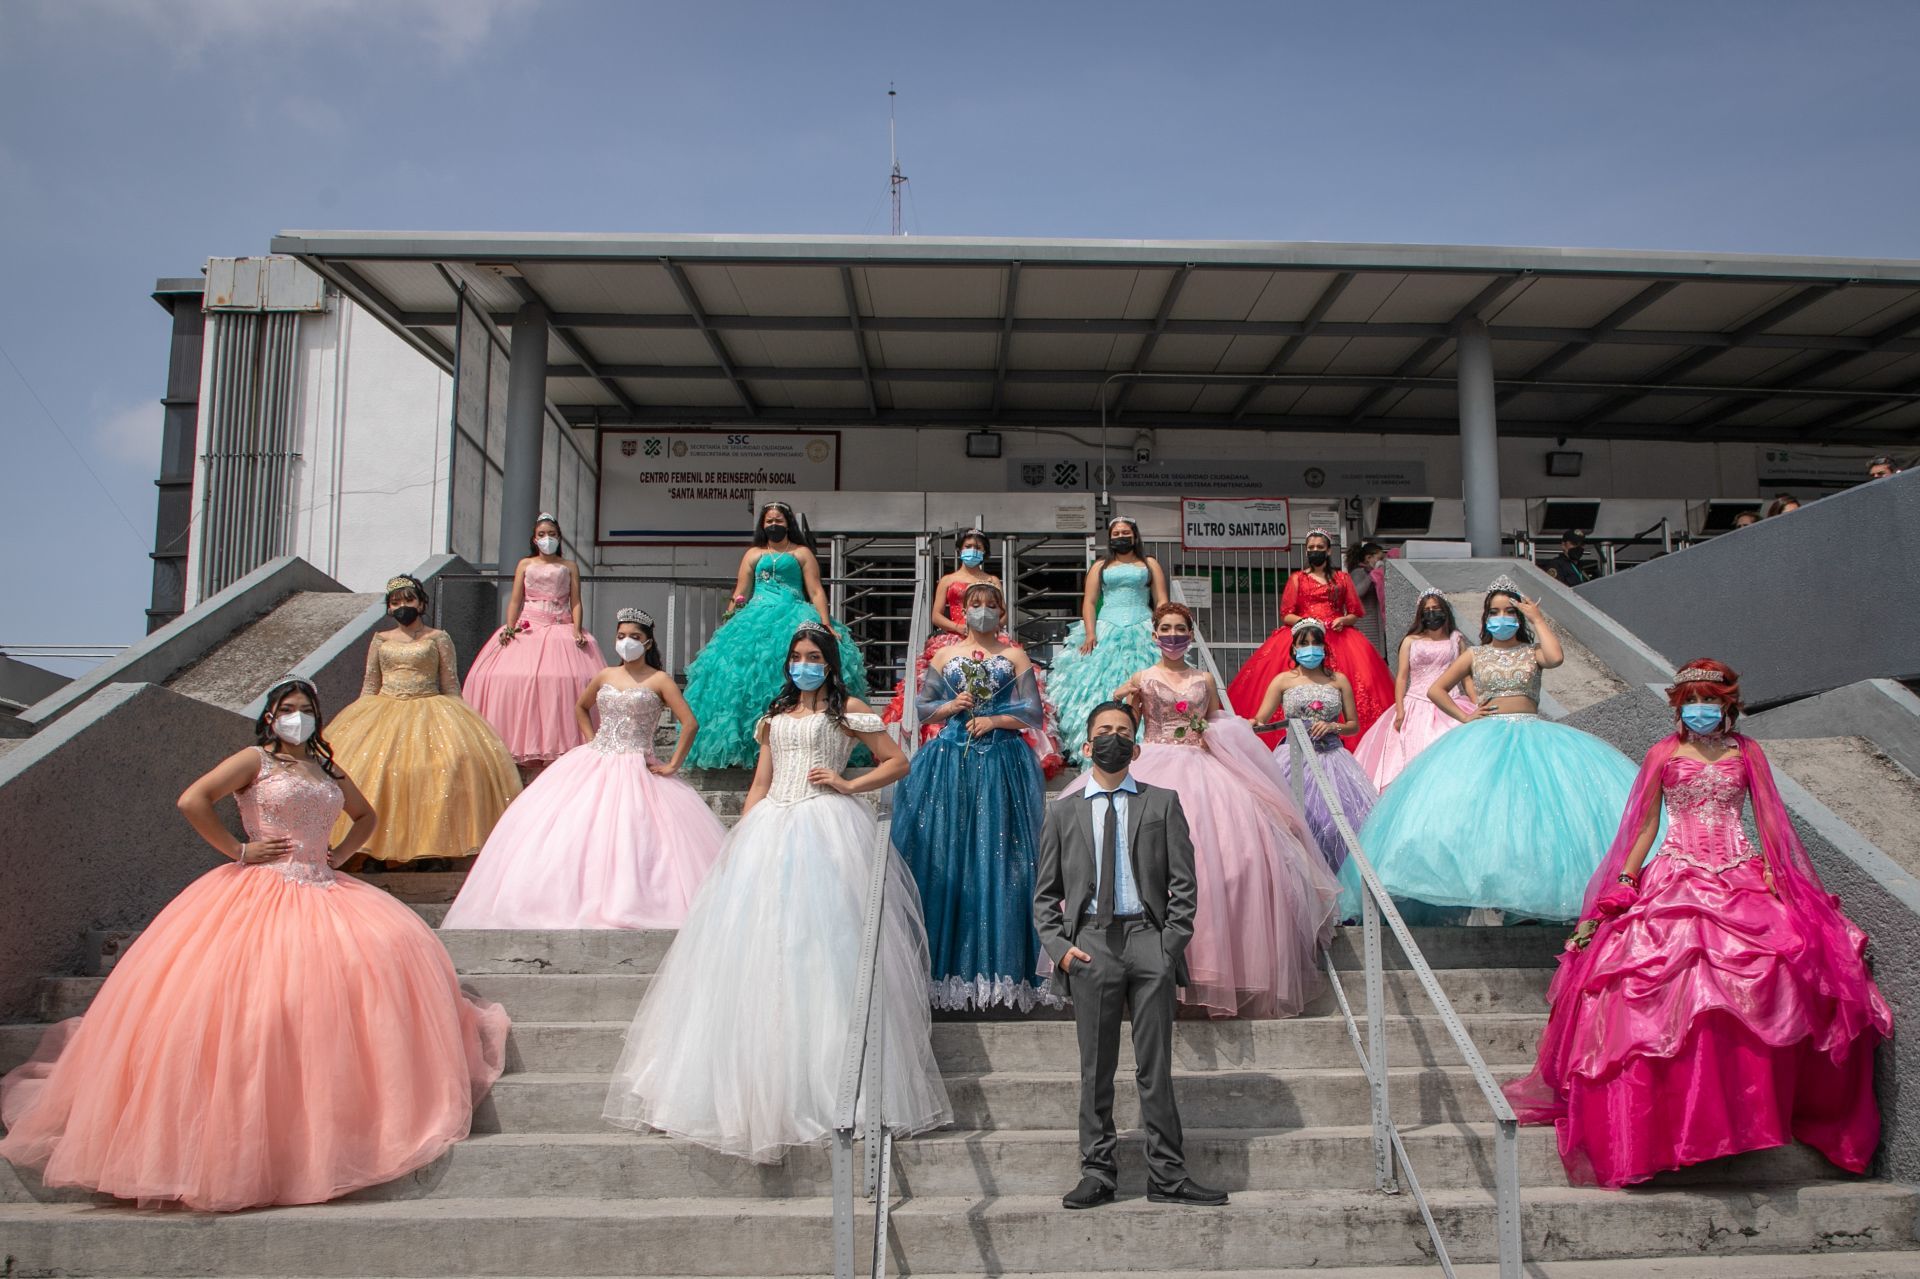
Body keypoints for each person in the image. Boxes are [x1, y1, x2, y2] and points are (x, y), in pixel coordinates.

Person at [0, 678, 507, 1211]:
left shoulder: (324, 766)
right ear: (269, 716)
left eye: (306, 709)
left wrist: (339, 853)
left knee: (384, 961)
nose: (297, 717)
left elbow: (366, 817)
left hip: (326, 885)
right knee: (255, 1005)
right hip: (260, 891)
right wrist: (239, 850)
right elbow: (193, 799)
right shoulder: (253, 761)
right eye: (287, 710)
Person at [1505, 660, 1891, 1187]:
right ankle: (1668, 1126)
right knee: (1654, 991)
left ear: (1728, 705)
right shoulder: (1662, 753)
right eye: (1691, 700)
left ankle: (1744, 1116)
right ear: (1678, 705)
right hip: (1676, 874)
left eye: (1710, 700)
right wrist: (1624, 881)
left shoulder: (1748, 753)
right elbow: (1642, 828)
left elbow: (1771, 822)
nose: (1700, 709)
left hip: (1739, 871)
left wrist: (1783, 878)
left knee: (1773, 976)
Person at [603, 623, 949, 1162]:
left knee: (823, 951)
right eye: (797, 656)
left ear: (829, 663)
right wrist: (738, 840)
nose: (803, 663)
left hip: (827, 828)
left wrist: (848, 784)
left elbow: (897, 761)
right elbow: (761, 783)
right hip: (769, 829)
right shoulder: (776, 715)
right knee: (758, 951)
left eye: (813, 656)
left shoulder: (848, 709)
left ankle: (838, 1086)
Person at [1341, 576, 1644, 922]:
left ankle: (1528, 902)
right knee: (1487, 818)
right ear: (1485, 619)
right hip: (1486, 739)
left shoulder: (1531, 652)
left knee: (1532, 818)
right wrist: (1465, 717)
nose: (1502, 618)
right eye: (1495, 612)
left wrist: (1537, 618)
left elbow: (1556, 656)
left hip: (1533, 736)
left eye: (1508, 612)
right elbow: (1437, 689)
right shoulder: (1475, 654)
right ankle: (1490, 895)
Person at [1093, 603, 1339, 1018]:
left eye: (1180, 630)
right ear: (1154, 635)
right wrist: (1123, 699)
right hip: (1153, 759)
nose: (1173, 636)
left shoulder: (1203, 677)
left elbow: (1213, 721)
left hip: (1201, 765)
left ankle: (1210, 966)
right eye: (1165, 629)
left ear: (1190, 635)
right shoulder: (1142, 677)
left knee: (1225, 859)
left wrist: (1213, 732)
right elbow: (1126, 721)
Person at [1034, 700, 1227, 1210]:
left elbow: (1184, 883)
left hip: (1149, 942)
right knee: (1095, 1067)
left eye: (1122, 731)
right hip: (1091, 947)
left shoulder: (1162, 802)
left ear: (1136, 746)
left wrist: (1169, 946)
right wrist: (1061, 949)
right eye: (1104, 730)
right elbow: (1044, 895)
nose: (1112, 738)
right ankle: (1098, 1172)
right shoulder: (1064, 810)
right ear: (1087, 742)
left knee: (1154, 1066)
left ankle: (1168, 1174)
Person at [443, 609, 727, 930]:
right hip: (595, 759)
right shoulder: (605, 674)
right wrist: (592, 739)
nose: (626, 642)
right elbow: (581, 706)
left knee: (634, 834)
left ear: (648, 641)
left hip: (637, 764)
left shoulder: (659, 680)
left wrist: (674, 763)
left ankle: (633, 899)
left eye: (633, 637)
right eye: (621, 636)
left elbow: (689, 723)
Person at [892, 582, 1054, 1011]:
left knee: (1001, 857)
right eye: (975, 604)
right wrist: (952, 706)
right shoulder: (943, 656)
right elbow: (925, 708)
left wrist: (997, 719)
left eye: (990, 605)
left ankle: (1005, 971)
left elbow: (1032, 712)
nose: (982, 611)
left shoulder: (1014, 655)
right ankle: (939, 971)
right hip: (949, 762)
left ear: (1002, 612)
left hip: (1001, 762)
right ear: (962, 610)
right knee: (946, 854)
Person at [325, 575, 521, 866]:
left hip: (431, 707)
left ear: (422, 602)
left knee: (441, 771)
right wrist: (357, 719)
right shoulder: (380, 640)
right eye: (395, 602)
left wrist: (462, 726)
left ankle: (434, 851)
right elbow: (370, 683)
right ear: (388, 608)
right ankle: (370, 849)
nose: (403, 606)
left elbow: (450, 683)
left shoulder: (438, 638)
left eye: (408, 599)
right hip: (382, 709)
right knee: (373, 771)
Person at [681, 501, 871, 770]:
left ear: (788, 523)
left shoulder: (802, 553)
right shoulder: (753, 554)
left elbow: (816, 591)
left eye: (779, 521)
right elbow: (741, 592)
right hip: (754, 616)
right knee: (737, 677)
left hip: (793, 613)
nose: (773, 525)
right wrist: (729, 620)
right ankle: (750, 749)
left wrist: (826, 624)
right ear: (762, 525)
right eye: (769, 521)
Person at [881, 527, 1066, 777]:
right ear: (959, 550)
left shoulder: (993, 581)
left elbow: (1002, 613)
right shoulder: (947, 581)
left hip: (993, 647)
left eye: (978, 547)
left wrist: (990, 628)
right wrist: (960, 627)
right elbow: (936, 614)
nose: (973, 551)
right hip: (952, 638)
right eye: (968, 546)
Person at [463, 513, 607, 777]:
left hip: (560, 626)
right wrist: (510, 626)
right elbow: (516, 599)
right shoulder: (524, 565)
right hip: (529, 624)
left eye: (551, 534)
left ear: (559, 538)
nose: (547, 539)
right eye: (541, 534)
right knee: (508, 678)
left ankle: (562, 742)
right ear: (534, 539)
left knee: (567, 680)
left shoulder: (569, 566)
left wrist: (576, 629)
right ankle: (516, 742)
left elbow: (575, 601)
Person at [1225, 529, 1392, 745]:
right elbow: (1287, 614)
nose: (1315, 552)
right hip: (1304, 634)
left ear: (1328, 550)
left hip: (1339, 637)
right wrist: (1308, 623)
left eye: (1319, 548)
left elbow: (1355, 612)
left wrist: (1343, 620)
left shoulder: (1342, 578)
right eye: (1311, 548)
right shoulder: (1297, 579)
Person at [1253, 619, 1381, 874]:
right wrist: (1247, 724)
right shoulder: (1282, 681)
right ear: (1294, 649)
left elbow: (1353, 724)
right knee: (1292, 824)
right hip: (1292, 759)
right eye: (1304, 644)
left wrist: (1334, 727)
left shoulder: (1339, 681)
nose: (1310, 649)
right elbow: (1261, 719)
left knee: (1338, 827)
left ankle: (1339, 887)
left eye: (1315, 643)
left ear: (1324, 647)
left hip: (1332, 760)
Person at [1048, 515, 1168, 758]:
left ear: (1134, 536)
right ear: (1110, 539)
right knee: (1095, 686)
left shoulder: (1150, 564)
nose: (1121, 537)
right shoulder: (1100, 566)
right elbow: (1090, 602)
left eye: (1126, 533)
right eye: (1116, 534)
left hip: (1143, 627)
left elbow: (1162, 600)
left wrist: (1160, 627)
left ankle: (1146, 747)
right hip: (1106, 629)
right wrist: (1091, 633)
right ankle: (1099, 745)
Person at [1352, 593, 1477, 790]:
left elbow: (1466, 677)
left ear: (1445, 611)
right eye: (1427, 611)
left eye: (1436, 609)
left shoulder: (1456, 640)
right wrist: (1400, 710)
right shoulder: (1410, 641)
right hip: (1416, 704)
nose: (1432, 614)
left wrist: (1476, 703)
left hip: (1451, 703)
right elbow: (1402, 677)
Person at [1344, 540, 1389, 651]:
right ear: (1369, 558)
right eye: (1379, 558)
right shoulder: (1359, 572)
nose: (1382, 562)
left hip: (1374, 627)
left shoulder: (1374, 573)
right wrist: (1372, 575)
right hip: (1366, 627)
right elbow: (1357, 592)